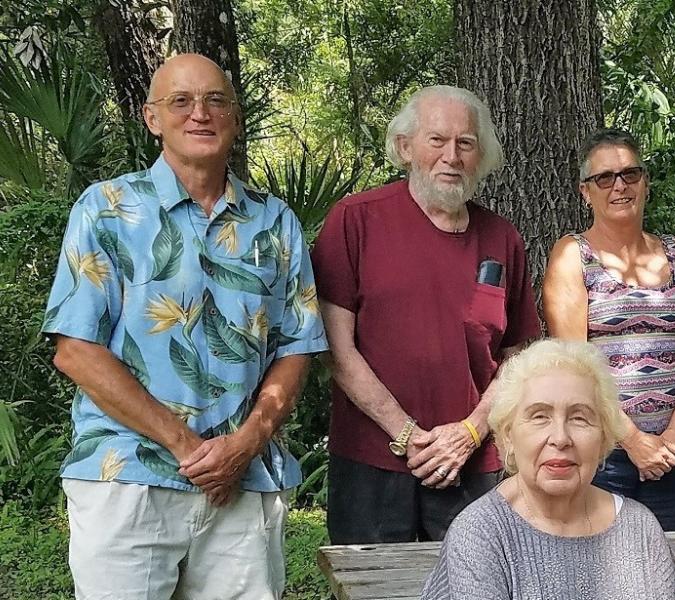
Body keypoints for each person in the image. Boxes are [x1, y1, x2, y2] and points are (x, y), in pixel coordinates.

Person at [42, 54, 327, 598]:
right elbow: (75, 349)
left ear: (235, 117)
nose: (201, 113)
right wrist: (188, 447)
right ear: (153, 118)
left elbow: (298, 346)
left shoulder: (275, 220)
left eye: (216, 100)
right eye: (181, 101)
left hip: (242, 481)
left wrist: (247, 442)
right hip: (127, 475)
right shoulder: (107, 208)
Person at [313, 85, 541, 543]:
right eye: (437, 140)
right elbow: (336, 349)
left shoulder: (502, 238)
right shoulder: (356, 220)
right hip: (371, 461)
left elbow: (517, 358)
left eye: (465, 143)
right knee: (371, 591)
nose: (451, 156)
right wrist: (409, 435)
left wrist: (470, 434)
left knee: (477, 590)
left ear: (482, 156)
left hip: (474, 464)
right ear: (405, 147)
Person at [541, 128, 675, 530]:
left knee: (673, 570)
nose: (619, 186)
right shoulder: (572, 255)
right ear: (586, 192)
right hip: (604, 457)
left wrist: (672, 438)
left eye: (630, 174)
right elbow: (574, 367)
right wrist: (633, 440)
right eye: (604, 178)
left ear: (645, 183)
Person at [421, 339, 675, 599]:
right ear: (509, 435)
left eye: (579, 417)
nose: (560, 437)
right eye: (539, 416)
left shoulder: (640, 529)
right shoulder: (481, 534)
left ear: (603, 437)